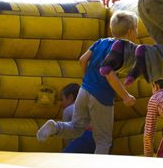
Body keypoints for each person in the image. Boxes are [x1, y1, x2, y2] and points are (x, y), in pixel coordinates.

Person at [37, 10, 138, 154]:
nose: (137, 33)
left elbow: (82, 60)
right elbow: (109, 73)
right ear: (129, 31)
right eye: (136, 29)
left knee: (76, 128)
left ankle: (55, 127)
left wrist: (87, 79)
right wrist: (126, 96)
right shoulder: (121, 49)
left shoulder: (101, 42)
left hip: (84, 90)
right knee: (103, 139)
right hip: (101, 96)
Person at [59, 83, 96, 153]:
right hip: (97, 137)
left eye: (62, 99)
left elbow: (66, 133)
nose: (61, 103)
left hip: (84, 136)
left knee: (64, 157)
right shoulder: (89, 106)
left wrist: (67, 148)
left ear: (70, 98)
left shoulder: (68, 110)